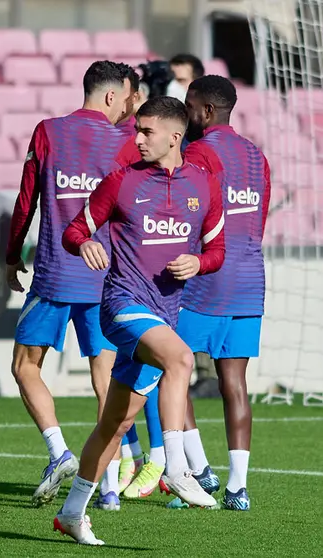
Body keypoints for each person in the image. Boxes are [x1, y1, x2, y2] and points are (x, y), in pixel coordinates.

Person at [55, 96, 226, 545]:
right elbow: (75, 229)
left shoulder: (205, 185)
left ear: (175, 135)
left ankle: (72, 512)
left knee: (116, 423)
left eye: (147, 131)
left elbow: (217, 251)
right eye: (137, 129)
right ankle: (176, 467)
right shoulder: (121, 181)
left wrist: (199, 263)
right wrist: (83, 244)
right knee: (182, 359)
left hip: (164, 313)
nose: (137, 138)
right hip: (122, 304)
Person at [5, 60, 140, 510]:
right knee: (108, 383)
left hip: (55, 274)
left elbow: (27, 200)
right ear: (109, 96)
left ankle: (58, 452)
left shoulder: (48, 131)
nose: (128, 108)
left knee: (25, 366)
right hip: (106, 280)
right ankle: (108, 490)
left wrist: (12, 255)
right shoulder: (126, 141)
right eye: (125, 97)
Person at [165, 75, 270, 511]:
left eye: (188, 105)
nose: (186, 113)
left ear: (206, 110)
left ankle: (200, 470)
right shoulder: (257, 156)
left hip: (207, 283)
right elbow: (258, 220)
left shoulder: (199, 154)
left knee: (172, 372)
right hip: (249, 280)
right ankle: (238, 489)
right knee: (235, 383)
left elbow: (189, 214)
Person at [114, 76, 167, 499]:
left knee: (157, 369)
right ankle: (146, 456)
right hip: (124, 285)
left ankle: (162, 458)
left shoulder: (188, 164)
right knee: (155, 364)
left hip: (167, 286)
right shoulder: (124, 150)